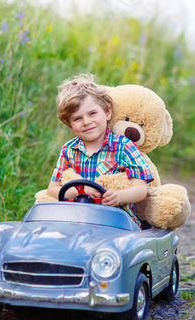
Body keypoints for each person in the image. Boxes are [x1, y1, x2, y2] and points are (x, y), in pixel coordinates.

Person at [46, 74, 154, 228]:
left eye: (92, 113)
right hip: (77, 220)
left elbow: (140, 190)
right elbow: (53, 189)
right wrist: (80, 191)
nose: (86, 122)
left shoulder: (124, 147)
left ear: (107, 113)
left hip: (117, 222)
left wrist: (118, 196)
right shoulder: (68, 150)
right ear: (70, 126)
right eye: (77, 119)